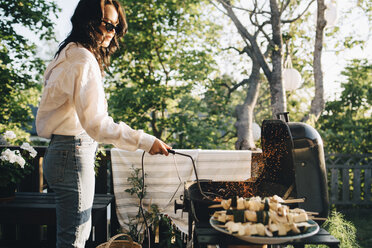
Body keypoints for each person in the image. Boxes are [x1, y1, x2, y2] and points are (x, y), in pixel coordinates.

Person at [35, 0, 171, 247]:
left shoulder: (67, 53)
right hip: (72, 153)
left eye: (117, 27)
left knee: (70, 235)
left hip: (62, 152)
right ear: (88, 21)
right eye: (108, 25)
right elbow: (97, 124)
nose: (112, 33)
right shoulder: (82, 59)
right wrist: (146, 141)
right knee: (74, 239)